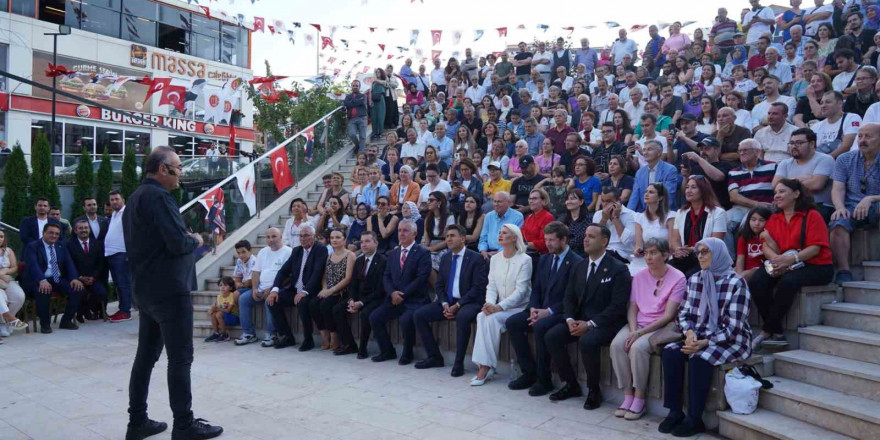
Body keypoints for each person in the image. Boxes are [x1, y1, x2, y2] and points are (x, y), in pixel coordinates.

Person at [123, 146, 222, 440]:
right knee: (180, 359)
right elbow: (178, 244)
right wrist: (196, 238)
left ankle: (137, 422)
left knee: (146, 357)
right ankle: (184, 424)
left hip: (147, 290)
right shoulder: (159, 197)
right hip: (169, 291)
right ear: (163, 169)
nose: (181, 173)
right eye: (178, 168)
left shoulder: (136, 197)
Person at [658, 237, 752, 438]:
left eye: (705, 252)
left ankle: (695, 418)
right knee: (670, 352)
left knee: (699, 358)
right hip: (698, 335)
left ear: (717, 254)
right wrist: (689, 333)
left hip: (732, 340)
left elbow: (734, 326)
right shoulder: (696, 279)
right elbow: (684, 314)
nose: (699, 256)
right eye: (698, 252)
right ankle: (675, 412)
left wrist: (705, 343)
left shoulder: (736, 282)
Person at [544, 223, 632, 409]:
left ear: (604, 241)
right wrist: (569, 319)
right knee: (552, 335)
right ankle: (571, 384)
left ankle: (594, 390)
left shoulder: (618, 269)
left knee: (588, 341)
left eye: (591, 236)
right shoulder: (580, 265)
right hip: (579, 320)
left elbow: (617, 306)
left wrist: (590, 323)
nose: (585, 239)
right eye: (585, 235)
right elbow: (569, 297)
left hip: (606, 323)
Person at [611, 238, 686, 420]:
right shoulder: (639, 276)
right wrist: (633, 329)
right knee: (617, 345)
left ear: (665, 255)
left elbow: (669, 315)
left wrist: (640, 334)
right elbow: (633, 307)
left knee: (637, 348)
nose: (648, 257)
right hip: (638, 324)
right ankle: (628, 394)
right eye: (646, 253)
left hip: (661, 325)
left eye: (653, 253)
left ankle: (639, 397)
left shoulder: (678, 277)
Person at [506, 222, 583, 394]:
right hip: (540, 309)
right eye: (546, 239)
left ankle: (544, 380)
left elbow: (573, 298)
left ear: (563, 240)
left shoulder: (577, 262)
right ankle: (529, 372)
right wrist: (533, 308)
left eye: (552, 240)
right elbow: (537, 288)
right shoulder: (544, 259)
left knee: (541, 326)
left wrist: (548, 312)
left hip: (561, 312)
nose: (548, 244)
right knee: (513, 322)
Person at [413, 224, 487, 376]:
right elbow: (439, 285)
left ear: (463, 238)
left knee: (463, 317)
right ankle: (434, 357)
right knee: (419, 315)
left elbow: (478, 288)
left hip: (469, 302)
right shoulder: (446, 257)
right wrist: (445, 303)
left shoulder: (476, 258)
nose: (448, 239)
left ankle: (458, 363)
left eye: (452, 236)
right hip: (449, 301)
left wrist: (458, 305)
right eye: (447, 236)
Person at [469, 224, 532, 386]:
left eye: (505, 233)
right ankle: (484, 366)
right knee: (481, 315)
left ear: (514, 238)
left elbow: (521, 291)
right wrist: (489, 304)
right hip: (499, 307)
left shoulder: (525, 260)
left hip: (519, 308)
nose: (500, 235)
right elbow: (491, 286)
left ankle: (485, 368)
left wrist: (499, 307)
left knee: (491, 320)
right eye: (499, 232)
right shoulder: (495, 259)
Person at [369, 220, 431, 364]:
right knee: (375, 317)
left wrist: (402, 294)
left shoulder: (423, 253)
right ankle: (387, 351)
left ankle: (407, 353)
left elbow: (421, 278)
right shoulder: (393, 253)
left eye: (405, 230)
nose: (401, 233)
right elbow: (386, 276)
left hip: (415, 299)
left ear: (414, 234)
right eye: (399, 230)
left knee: (405, 320)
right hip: (394, 299)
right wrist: (392, 293)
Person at [265, 220, 329, 351]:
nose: (302, 239)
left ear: (314, 237)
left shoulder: (320, 249)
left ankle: (308, 339)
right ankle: (287, 337)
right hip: (294, 290)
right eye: (300, 236)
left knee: (303, 302)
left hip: (312, 291)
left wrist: (304, 292)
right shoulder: (296, 251)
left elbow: (317, 274)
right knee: (272, 301)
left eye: (306, 235)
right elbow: (283, 271)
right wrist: (274, 290)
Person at [829, 123, 880, 284]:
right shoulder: (845, 159)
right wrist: (840, 207)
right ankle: (844, 270)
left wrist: (871, 199)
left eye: (868, 136)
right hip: (851, 206)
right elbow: (837, 189)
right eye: (860, 136)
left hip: (877, 203)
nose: (862, 140)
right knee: (838, 222)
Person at [332, 231, 387, 358]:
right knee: (337, 310)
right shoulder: (359, 260)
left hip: (376, 298)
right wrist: (352, 299)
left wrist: (361, 303)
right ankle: (350, 345)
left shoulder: (383, 261)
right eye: (362, 242)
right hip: (359, 298)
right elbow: (353, 285)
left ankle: (363, 347)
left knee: (365, 313)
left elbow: (380, 290)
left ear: (376, 243)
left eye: (367, 241)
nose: (364, 244)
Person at [21, 221, 82, 333]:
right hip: (38, 279)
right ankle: (45, 324)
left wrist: (74, 278)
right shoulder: (33, 246)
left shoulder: (61, 245)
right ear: (43, 233)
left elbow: (69, 263)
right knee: (44, 290)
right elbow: (33, 265)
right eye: (51, 233)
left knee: (76, 289)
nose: (54, 236)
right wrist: (42, 280)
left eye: (56, 234)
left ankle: (66, 321)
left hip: (57, 278)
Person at [236, 228, 290, 347]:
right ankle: (249, 334)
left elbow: (288, 277)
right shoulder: (263, 252)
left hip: (278, 289)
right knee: (243, 299)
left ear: (281, 237)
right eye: (268, 237)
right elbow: (256, 272)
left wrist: (272, 289)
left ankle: (271, 334)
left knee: (269, 300)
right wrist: (255, 288)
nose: (271, 240)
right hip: (261, 288)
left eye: (274, 236)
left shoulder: (288, 252)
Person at [773, 127, 837, 219]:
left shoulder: (825, 159)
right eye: (791, 143)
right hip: (789, 206)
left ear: (812, 144)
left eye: (799, 143)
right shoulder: (785, 163)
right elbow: (775, 185)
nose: (794, 146)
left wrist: (787, 183)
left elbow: (816, 185)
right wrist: (801, 179)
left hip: (818, 206)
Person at [670, 176, 728, 276]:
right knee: (666, 271)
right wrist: (678, 250)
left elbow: (716, 243)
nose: (688, 190)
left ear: (703, 190)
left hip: (708, 257)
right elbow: (675, 240)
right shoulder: (681, 212)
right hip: (686, 257)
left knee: (690, 276)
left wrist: (693, 249)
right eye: (687, 187)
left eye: (693, 187)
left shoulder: (718, 213)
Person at [311, 229, 356, 351]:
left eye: (337, 237)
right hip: (329, 289)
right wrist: (325, 288)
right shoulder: (329, 255)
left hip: (342, 291)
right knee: (313, 304)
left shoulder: (350, 255)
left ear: (344, 239)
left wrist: (331, 291)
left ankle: (334, 335)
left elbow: (348, 278)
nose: (334, 240)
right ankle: (324, 334)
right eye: (332, 238)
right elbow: (325, 276)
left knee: (325, 305)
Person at [66, 220, 107, 322]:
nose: (83, 230)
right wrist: (79, 277)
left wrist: (93, 277)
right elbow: (68, 264)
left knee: (102, 292)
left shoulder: (98, 244)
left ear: (89, 230)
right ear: (75, 230)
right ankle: (81, 312)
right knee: (81, 292)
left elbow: (101, 263)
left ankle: (86, 309)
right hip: (78, 278)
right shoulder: (69, 245)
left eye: (86, 228)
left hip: (93, 278)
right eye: (80, 228)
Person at [630, 183, 674, 273]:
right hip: (646, 257)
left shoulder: (671, 216)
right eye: (646, 191)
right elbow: (638, 245)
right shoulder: (639, 217)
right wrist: (638, 251)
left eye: (651, 192)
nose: (646, 194)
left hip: (664, 257)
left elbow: (671, 246)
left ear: (660, 197)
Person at [628, 140, 679, 212]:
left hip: (664, 212)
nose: (645, 153)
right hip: (644, 212)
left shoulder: (670, 170)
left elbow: (668, 196)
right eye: (644, 150)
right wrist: (628, 214)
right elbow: (634, 197)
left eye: (649, 149)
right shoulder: (640, 172)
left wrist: (654, 214)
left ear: (659, 153)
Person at [106, 190, 133, 323]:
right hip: (113, 254)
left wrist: (130, 253)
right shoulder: (115, 214)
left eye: (117, 199)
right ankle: (122, 308)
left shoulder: (127, 213)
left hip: (122, 254)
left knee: (124, 284)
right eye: (112, 200)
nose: (114, 202)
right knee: (118, 284)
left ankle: (125, 312)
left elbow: (132, 233)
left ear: (123, 199)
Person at [593, 187, 637, 263]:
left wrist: (615, 218)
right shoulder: (598, 214)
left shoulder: (631, 215)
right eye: (603, 201)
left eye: (609, 201)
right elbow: (594, 239)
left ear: (618, 201)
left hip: (623, 255)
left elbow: (629, 243)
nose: (605, 205)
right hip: (603, 252)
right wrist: (604, 219)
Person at [813, 90, 862, 158]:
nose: (823, 106)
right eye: (821, 103)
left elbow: (847, 146)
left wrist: (825, 160)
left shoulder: (852, 118)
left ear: (840, 103)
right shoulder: (816, 126)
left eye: (828, 102)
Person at [478, 191, 525, 258]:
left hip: (508, 253)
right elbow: (483, 237)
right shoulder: (488, 216)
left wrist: (499, 253)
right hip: (487, 253)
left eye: (499, 202)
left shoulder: (518, 216)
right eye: (495, 201)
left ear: (508, 203)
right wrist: (483, 251)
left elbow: (515, 239)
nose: (496, 204)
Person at [0, 228, 27, 336]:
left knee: (19, 296)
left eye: (1, 236)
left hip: (7, 280)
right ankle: (8, 321)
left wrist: (6, 271)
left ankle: (6, 322)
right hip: (2, 280)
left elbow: (14, 267)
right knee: (1, 297)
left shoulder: (8, 250)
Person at [736, 206, 773, 282]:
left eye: (761, 220)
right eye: (753, 220)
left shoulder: (770, 236)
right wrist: (740, 274)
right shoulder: (743, 238)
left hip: (764, 270)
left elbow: (777, 252)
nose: (757, 223)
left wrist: (768, 238)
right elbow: (740, 258)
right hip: (747, 271)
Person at [203, 277, 240, 343]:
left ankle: (224, 334)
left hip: (234, 318)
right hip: (223, 317)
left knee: (218, 313)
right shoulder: (219, 297)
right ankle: (216, 333)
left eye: (225, 285)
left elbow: (228, 311)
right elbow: (216, 307)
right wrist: (212, 310)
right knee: (213, 314)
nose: (222, 287)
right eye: (220, 285)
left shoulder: (232, 295)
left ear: (231, 288)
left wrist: (216, 308)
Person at [344, 79, 368, 152]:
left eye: (357, 86)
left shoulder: (363, 95)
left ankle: (361, 153)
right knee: (352, 135)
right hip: (351, 119)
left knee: (362, 136)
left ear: (359, 87)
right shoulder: (348, 96)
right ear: (351, 87)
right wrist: (356, 101)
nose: (355, 87)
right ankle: (357, 145)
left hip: (362, 118)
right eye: (354, 86)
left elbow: (361, 102)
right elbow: (347, 104)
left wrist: (351, 102)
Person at [370, 68, 388, 140]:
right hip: (374, 99)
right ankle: (374, 132)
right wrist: (370, 100)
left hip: (380, 99)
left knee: (380, 116)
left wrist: (374, 79)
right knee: (374, 117)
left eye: (379, 72)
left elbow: (383, 83)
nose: (377, 73)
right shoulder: (373, 82)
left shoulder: (383, 81)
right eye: (376, 72)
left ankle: (380, 132)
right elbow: (370, 91)